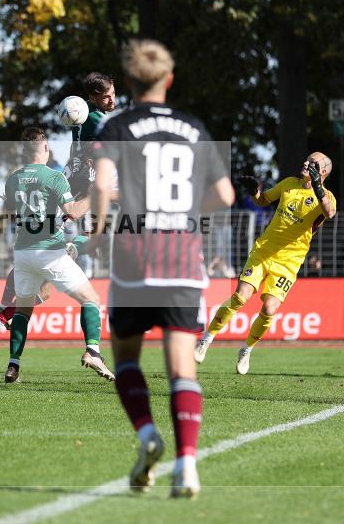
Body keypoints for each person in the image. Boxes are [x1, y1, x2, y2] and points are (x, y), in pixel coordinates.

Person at [89, 39, 234, 498]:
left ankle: (148, 436)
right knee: (182, 369)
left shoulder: (116, 125)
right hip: (182, 259)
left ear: (129, 83)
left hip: (134, 257)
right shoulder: (193, 127)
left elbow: (104, 186)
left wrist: (95, 230)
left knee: (127, 359)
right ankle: (187, 464)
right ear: (169, 79)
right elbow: (227, 197)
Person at [195, 152, 337, 374]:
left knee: (269, 308)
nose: (305, 163)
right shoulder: (289, 183)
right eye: (306, 159)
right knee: (240, 296)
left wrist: (317, 187)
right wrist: (254, 191)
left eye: (312, 163)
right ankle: (206, 339)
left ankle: (246, 350)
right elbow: (263, 200)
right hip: (264, 251)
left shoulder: (326, 196)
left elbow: (329, 212)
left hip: (289, 263)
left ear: (323, 172)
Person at [0, 127, 114, 384]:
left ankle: (13, 365)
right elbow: (73, 211)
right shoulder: (54, 177)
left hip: (23, 253)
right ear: (46, 150)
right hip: (49, 252)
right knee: (91, 299)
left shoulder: (13, 178)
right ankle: (93, 351)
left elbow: (11, 210)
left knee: (23, 311)